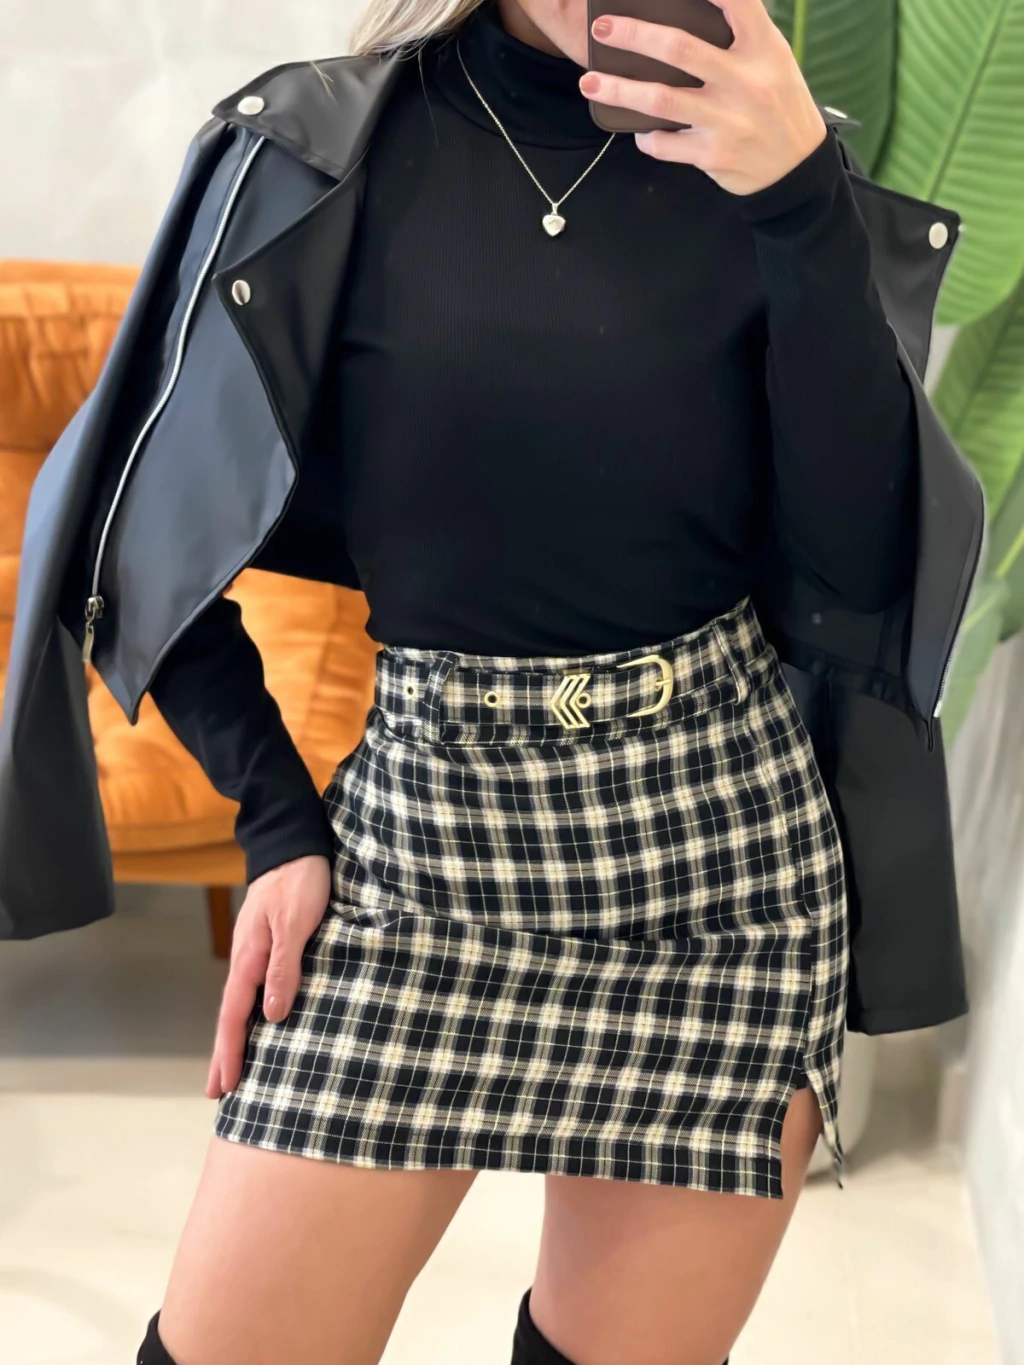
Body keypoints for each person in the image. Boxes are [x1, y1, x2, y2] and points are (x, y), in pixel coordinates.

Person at [0, 0, 982, 1362]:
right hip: (422, 848)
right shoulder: (318, 153)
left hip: (723, 866)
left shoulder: (773, 160)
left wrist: (802, 202)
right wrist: (277, 822)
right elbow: (129, 534)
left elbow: (860, 566)